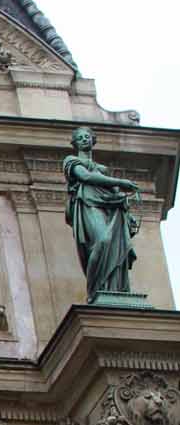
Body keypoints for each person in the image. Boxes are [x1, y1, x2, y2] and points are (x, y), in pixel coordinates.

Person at [63, 127, 141, 300]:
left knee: (114, 244)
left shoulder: (103, 169)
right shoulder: (71, 161)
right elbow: (86, 177)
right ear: (74, 143)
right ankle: (95, 290)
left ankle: (115, 289)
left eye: (87, 137)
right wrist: (121, 181)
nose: (84, 139)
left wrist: (128, 215)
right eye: (80, 138)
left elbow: (117, 194)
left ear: (93, 140)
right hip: (88, 205)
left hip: (108, 208)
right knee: (102, 241)